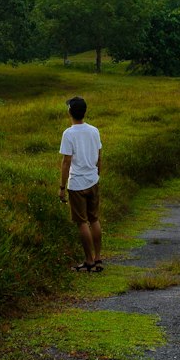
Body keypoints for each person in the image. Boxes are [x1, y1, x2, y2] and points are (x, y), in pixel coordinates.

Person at [58, 95, 103, 273]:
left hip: (77, 183)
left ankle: (88, 260)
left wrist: (62, 187)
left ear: (70, 112)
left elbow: (66, 162)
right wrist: (97, 173)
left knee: (82, 222)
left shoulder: (69, 133)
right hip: (93, 180)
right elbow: (99, 155)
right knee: (94, 219)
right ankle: (98, 258)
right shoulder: (94, 130)